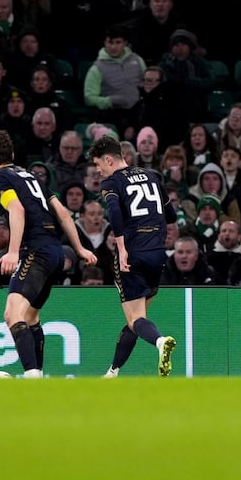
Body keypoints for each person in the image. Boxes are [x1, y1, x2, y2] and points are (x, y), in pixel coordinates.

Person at [0, 130, 97, 378]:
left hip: (35, 251)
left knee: (12, 315)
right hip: (56, 252)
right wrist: (79, 249)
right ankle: (39, 375)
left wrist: (13, 252)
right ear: (12, 155)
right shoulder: (32, 177)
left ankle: (31, 377)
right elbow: (63, 213)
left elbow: (16, 210)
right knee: (31, 317)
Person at [88, 136, 178, 378]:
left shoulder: (111, 183)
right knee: (137, 318)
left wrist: (122, 247)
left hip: (133, 253)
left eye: (98, 164)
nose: (98, 171)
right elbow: (171, 216)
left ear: (109, 159)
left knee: (135, 318)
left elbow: (115, 212)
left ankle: (160, 342)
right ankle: (113, 371)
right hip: (157, 254)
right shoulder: (152, 176)